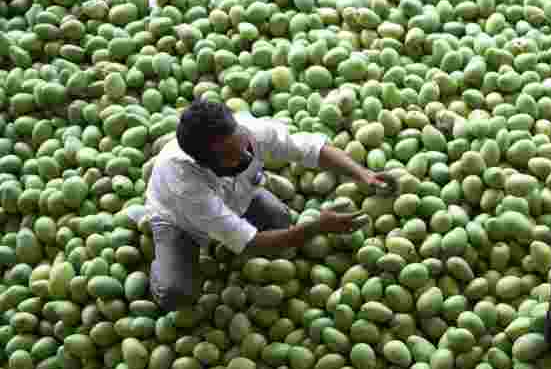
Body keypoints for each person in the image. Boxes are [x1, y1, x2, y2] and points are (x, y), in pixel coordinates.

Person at [132, 98, 395, 311]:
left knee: (281, 221)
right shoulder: (185, 182)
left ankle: (225, 234)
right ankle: (156, 253)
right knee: (177, 294)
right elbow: (251, 242)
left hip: (236, 198)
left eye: (242, 146)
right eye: (230, 157)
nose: (245, 157)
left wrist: (363, 174)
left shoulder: (250, 131)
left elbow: (310, 149)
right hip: (179, 219)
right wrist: (317, 227)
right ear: (204, 163)